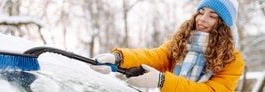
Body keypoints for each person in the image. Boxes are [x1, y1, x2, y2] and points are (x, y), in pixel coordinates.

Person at [90, 0, 245, 91]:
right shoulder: (182, 42)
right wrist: (118, 58)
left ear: (224, 25)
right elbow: (155, 56)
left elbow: (212, 90)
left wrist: (163, 81)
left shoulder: (232, 59)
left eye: (212, 16)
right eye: (201, 12)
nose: (202, 19)